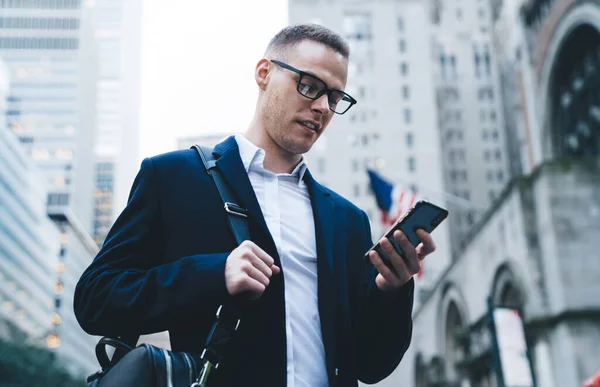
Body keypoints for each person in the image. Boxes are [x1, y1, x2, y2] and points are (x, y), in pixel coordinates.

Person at [74, 23, 438, 387]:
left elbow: (371, 366)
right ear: (264, 74)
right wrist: (214, 274)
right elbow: (96, 299)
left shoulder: (347, 220)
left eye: (336, 98)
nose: (323, 107)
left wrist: (392, 290)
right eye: (309, 86)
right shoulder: (173, 178)